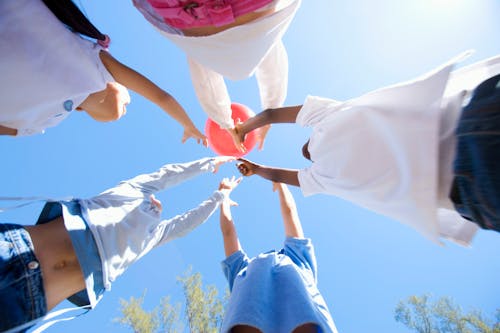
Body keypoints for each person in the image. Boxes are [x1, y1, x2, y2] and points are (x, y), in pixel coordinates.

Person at [235, 52, 500, 246]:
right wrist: (246, 128)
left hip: (471, 195)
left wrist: (255, 168)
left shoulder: (322, 176)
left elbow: (280, 175)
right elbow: (270, 114)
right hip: (468, 128)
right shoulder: (326, 119)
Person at [0, 156, 238, 333]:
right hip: (15, 248)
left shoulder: (153, 235)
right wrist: (209, 163)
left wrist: (219, 196)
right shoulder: (132, 192)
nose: (157, 204)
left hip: (27, 307)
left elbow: (186, 223)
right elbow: (167, 175)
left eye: (159, 208)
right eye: (154, 199)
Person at [0, 0, 205, 145]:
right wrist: (188, 125)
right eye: (127, 100)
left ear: (83, 112)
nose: (127, 107)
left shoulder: (43, 123)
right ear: (115, 84)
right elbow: (162, 97)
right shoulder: (95, 66)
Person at [133, 0, 302, 151]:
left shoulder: (217, 52)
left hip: (190, 17)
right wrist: (266, 114)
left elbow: (273, 67)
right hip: (184, 16)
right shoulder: (209, 52)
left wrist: (265, 115)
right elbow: (207, 85)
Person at [219, 182, 338, 333]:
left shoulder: (243, 271)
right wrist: (280, 183)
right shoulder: (297, 260)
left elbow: (228, 232)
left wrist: (224, 197)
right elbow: (290, 212)